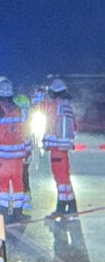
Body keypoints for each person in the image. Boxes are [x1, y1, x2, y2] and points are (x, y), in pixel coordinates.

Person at [0, 77, 32, 222]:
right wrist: (27, 150)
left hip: (2, 156)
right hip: (18, 156)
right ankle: (18, 214)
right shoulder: (20, 111)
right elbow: (26, 133)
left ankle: (4, 213)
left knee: (4, 186)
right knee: (18, 184)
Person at [38, 78, 78, 219]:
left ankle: (61, 207)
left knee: (61, 180)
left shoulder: (58, 106)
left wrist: (47, 141)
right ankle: (71, 205)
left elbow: (54, 128)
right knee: (65, 179)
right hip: (62, 149)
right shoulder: (66, 106)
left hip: (57, 148)